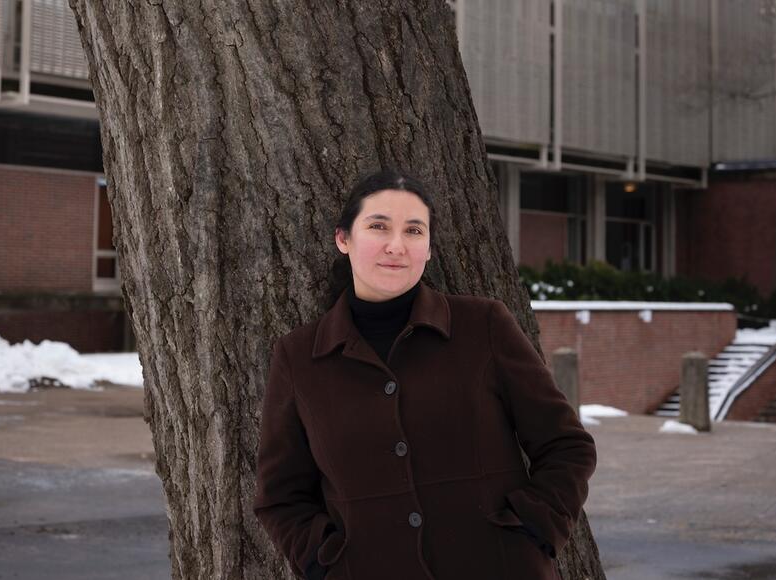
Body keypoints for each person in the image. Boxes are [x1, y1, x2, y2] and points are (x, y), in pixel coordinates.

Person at [253, 169, 597, 580]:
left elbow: (567, 446)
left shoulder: (483, 326)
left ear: (429, 248)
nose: (396, 246)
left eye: (414, 231)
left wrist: (534, 530)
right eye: (378, 226)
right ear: (343, 239)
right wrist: (324, 563)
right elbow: (280, 496)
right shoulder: (299, 356)